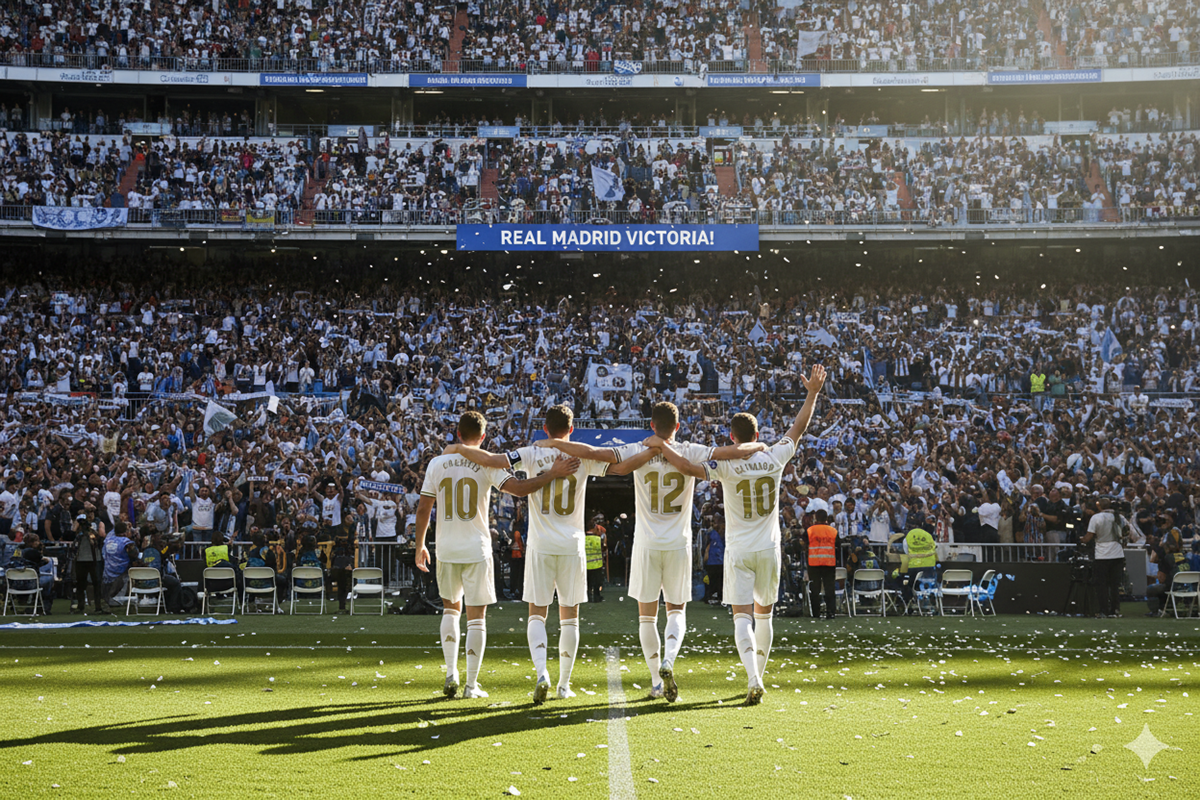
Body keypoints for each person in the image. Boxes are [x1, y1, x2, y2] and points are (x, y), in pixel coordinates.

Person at [449, 404, 656, 705]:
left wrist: (458, 448)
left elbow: (496, 460)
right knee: (570, 619)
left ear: (544, 428)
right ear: (572, 429)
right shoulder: (582, 455)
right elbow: (622, 468)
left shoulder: (532, 452)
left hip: (541, 544)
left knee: (537, 613)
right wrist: (653, 450)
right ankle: (563, 685)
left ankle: (541, 674)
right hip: (572, 544)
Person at [657, 365, 826, 705]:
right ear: (757, 433)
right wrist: (813, 393)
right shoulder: (774, 456)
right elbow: (798, 428)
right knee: (764, 616)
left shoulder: (728, 464)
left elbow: (690, 469)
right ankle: (757, 678)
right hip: (769, 547)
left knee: (741, 617)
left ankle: (752, 677)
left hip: (739, 549)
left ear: (732, 438)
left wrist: (662, 447)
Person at [418, 410, 581, 700]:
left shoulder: (437, 463)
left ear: (457, 434)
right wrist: (551, 474)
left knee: (450, 610)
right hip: (477, 547)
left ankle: (450, 674)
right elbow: (518, 489)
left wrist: (419, 544)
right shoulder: (486, 465)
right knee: (476, 618)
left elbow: (423, 508)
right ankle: (470, 685)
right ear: (483, 437)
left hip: (446, 546)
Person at [1080, 497, 1125, 617]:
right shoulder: (1119, 517)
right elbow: (1126, 532)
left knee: (1102, 585)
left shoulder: (1096, 518)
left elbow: (1089, 536)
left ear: (1099, 506)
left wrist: (1082, 540)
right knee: (1114, 585)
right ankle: (1115, 610)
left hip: (1102, 554)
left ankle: (1103, 610)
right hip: (1117, 553)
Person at [890, 527, 938, 611]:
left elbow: (906, 552)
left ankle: (908, 603)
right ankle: (928, 601)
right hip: (930, 567)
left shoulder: (907, 538)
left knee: (907, 583)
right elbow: (935, 547)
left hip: (914, 566)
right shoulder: (928, 536)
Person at [73, 503, 107, 614]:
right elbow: (73, 533)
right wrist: (81, 525)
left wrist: (90, 529)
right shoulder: (79, 521)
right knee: (80, 583)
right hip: (81, 556)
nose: (90, 515)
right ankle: (80, 606)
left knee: (96, 582)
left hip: (94, 557)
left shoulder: (98, 522)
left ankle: (98, 606)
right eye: (87, 512)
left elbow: (101, 536)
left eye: (91, 512)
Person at [804, 509, 839, 619]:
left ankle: (816, 613)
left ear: (815, 518)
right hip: (829, 563)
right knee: (830, 588)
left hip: (814, 563)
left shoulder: (810, 530)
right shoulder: (833, 531)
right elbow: (838, 544)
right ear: (826, 518)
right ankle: (831, 612)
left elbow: (804, 543)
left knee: (815, 589)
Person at [101, 521, 141, 610]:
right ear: (126, 531)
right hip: (121, 572)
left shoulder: (107, 540)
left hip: (108, 571)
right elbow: (134, 554)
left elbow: (103, 554)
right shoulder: (126, 542)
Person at [17, 533, 56, 614]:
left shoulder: (18, 551)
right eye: (37, 541)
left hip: (16, 582)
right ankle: (44, 604)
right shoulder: (33, 553)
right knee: (50, 578)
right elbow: (42, 562)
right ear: (32, 542)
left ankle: (37, 602)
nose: (39, 543)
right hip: (30, 583)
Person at [703, 518, 725, 605]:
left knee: (719, 580)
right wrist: (706, 557)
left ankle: (718, 597)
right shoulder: (711, 533)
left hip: (720, 560)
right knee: (712, 580)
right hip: (712, 560)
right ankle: (710, 596)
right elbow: (707, 547)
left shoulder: (721, 533)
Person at [584, 519, 605, 603]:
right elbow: (604, 548)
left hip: (586, 565)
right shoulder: (598, 538)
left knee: (587, 582)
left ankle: (587, 597)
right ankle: (597, 597)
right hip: (597, 564)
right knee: (597, 582)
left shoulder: (582, 538)